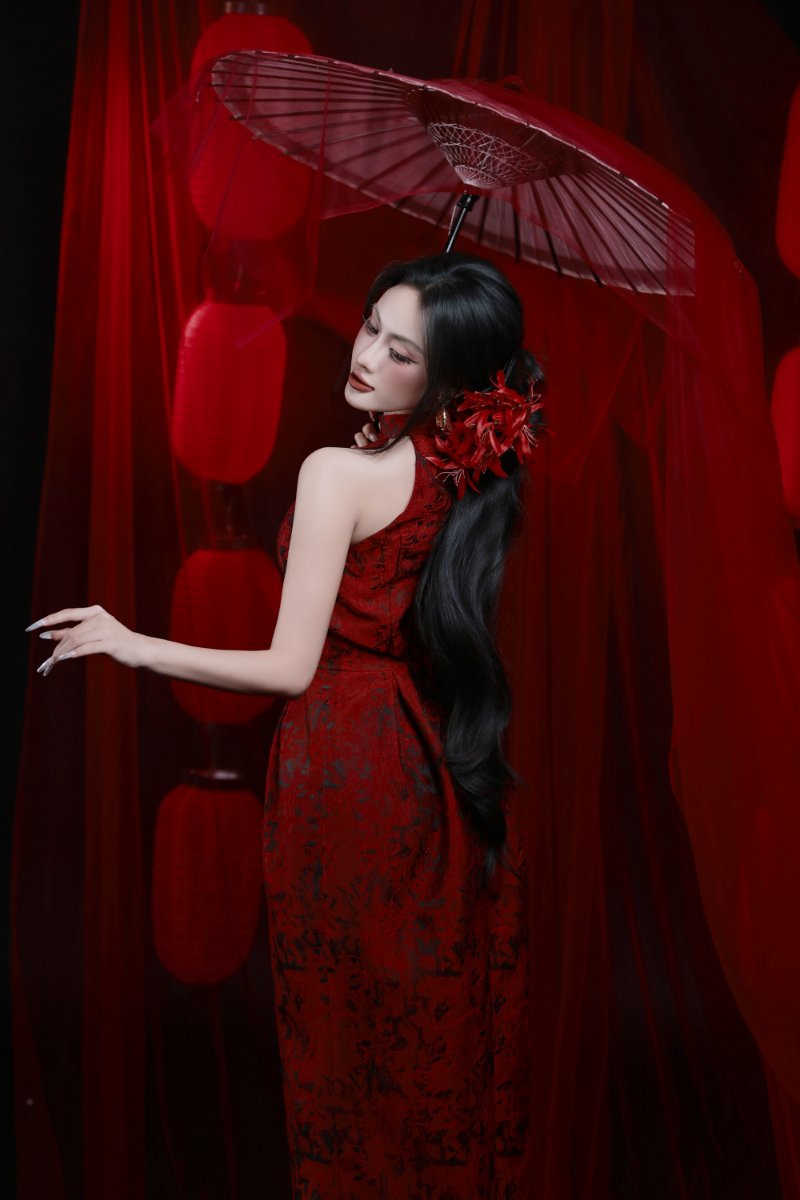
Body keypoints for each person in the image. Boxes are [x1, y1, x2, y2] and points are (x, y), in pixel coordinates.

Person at [29, 252, 545, 1199]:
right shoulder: (462, 470)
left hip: (342, 767)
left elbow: (289, 667)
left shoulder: (336, 474)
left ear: (446, 381)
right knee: (411, 1050)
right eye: (372, 326)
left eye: (403, 351)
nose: (368, 356)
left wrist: (130, 641)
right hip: (425, 769)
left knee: (341, 1046)